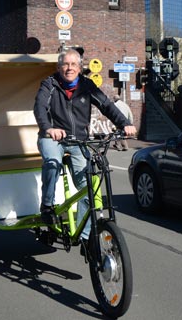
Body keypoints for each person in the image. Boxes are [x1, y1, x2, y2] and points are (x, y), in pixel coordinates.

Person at [33, 49, 137, 243]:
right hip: (52, 138)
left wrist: (125, 124)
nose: (69, 68)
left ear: (80, 68)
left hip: (78, 140)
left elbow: (107, 106)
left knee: (89, 185)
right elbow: (39, 107)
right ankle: (47, 206)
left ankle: (84, 235)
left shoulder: (86, 86)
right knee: (53, 162)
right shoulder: (50, 84)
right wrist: (48, 128)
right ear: (58, 67)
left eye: (73, 64)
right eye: (65, 64)